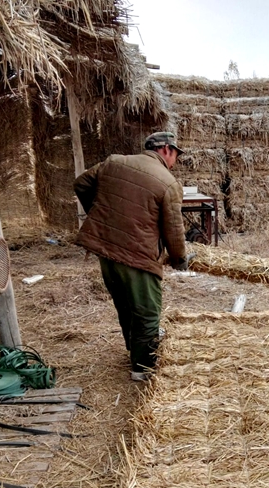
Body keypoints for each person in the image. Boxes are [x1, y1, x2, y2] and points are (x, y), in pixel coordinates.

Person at [74, 131, 189, 381]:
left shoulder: (113, 162)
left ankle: (133, 350)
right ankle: (143, 368)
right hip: (138, 257)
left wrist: (100, 213)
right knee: (147, 313)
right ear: (166, 149)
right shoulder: (168, 183)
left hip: (106, 251)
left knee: (125, 305)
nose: (175, 161)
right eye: (176, 155)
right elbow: (174, 229)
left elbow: (81, 183)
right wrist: (179, 258)